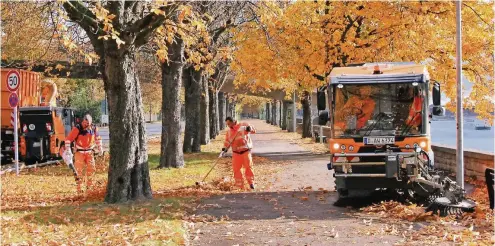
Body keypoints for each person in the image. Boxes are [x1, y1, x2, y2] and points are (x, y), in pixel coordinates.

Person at [63, 114, 102, 193]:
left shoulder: (94, 128)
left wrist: (100, 148)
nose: (86, 125)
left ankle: (89, 187)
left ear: (91, 122)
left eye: (88, 123)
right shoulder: (77, 128)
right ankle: (79, 187)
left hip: (89, 152)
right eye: (84, 123)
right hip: (79, 153)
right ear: (82, 121)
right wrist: (67, 150)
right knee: (78, 171)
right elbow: (68, 139)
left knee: (91, 169)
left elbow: (98, 138)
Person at [222, 117, 256, 190]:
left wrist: (249, 128)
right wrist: (225, 148)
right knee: (236, 169)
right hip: (236, 153)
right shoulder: (229, 132)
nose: (228, 125)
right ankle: (239, 185)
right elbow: (227, 141)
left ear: (233, 121)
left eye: (229, 123)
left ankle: (251, 183)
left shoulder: (243, 125)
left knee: (248, 166)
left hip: (245, 151)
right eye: (227, 124)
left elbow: (253, 130)